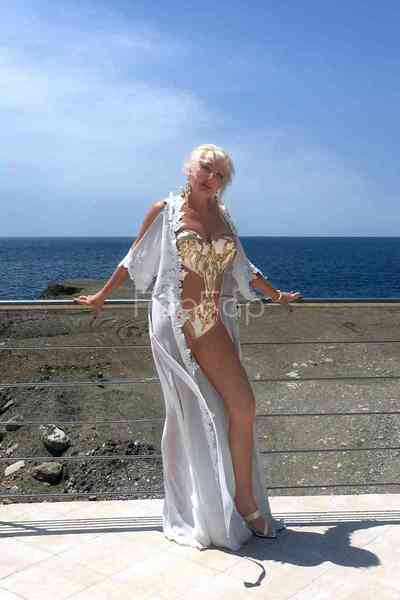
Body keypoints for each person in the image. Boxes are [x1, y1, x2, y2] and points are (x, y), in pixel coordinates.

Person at [74, 144, 301, 551]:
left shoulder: (224, 216)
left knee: (239, 408)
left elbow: (243, 267)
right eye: (206, 169)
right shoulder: (165, 211)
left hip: (214, 320)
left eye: (220, 175)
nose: (212, 178)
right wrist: (101, 296)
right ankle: (232, 506)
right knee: (212, 411)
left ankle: (235, 502)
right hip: (179, 320)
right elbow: (133, 258)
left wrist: (276, 295)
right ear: (189, 168)